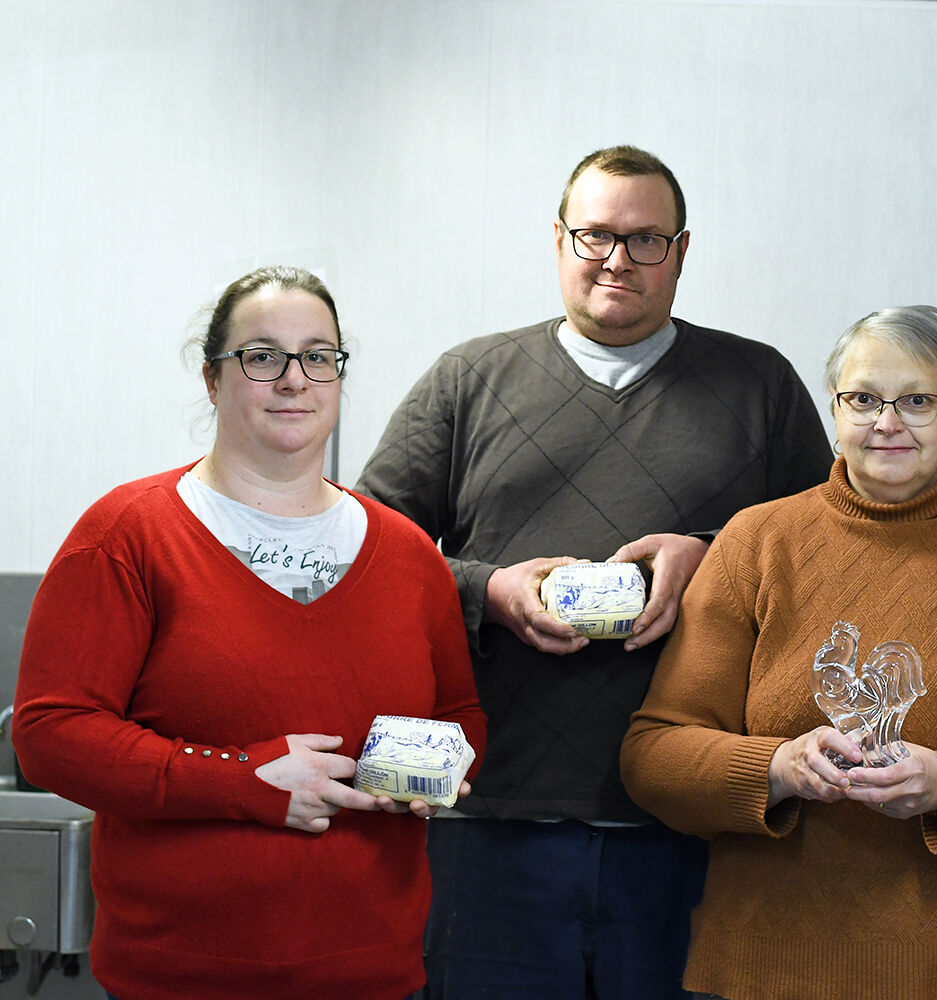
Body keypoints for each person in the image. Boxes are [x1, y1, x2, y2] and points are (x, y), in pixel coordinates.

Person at [356, 144, 832, 999]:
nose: (618, 260)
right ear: (558, 241)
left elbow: (833, 557)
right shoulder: (471, 381)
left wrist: (710, 555)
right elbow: (367, 550)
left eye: (646, 240)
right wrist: (489, 592)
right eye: (596, 236)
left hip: (694, 826)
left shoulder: (760, 385)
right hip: (495, 822)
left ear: (682, 252)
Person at [619, 305, 937, 1000]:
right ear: (834, 411)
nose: (887, 422)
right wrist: (777, 766)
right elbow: (654, 756)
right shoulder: (755, 543)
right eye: (863, 399)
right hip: (776, 967)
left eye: (918, 400)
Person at [11, 266, 486, 1000]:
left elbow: (460, 717)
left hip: (372, 974)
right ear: (212, 379)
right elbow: (50, 733)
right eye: (262, 356)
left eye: (318, 356)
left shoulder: (408, 554)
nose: (294, 379)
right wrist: (241, 780)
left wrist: (434, 774)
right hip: (178, 978)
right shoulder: (127, 535)